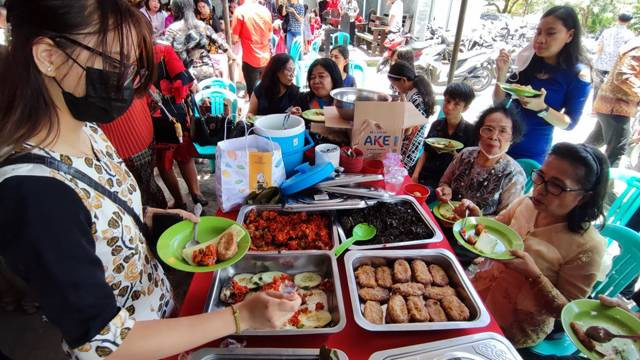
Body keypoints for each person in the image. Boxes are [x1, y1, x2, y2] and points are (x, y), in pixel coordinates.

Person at [0, 1, 301, 359]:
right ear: (49, 56)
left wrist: (155, 219)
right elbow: (102, 344)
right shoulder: (33, 193)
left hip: (164, 324)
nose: (126, 80)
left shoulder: (89, 131)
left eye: (133, 67)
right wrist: (240, 316)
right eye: (114, 62)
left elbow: (99, 224)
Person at [471, 142, 608, 349]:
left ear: (583, 197)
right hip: (477, 294)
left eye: (556, 185)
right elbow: (494, 229)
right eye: (540, 176)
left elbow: (568, 315)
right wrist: (476, 221)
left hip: (512, 329)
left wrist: (534, 276)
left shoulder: (588, 247)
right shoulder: (527, 202)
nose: (540, 189)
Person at [493, 6, 591, 164]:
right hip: (499, 143)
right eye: (538, 32)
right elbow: (499, 103)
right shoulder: (529, 61)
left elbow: (569, 123)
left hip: (530, 153)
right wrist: (502, 74)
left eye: (550, 33)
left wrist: (541, 108)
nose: (540, 39)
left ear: (570, 35)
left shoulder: (579, 74)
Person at [436, 105, 526, 217]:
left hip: (478, 232)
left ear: (512, 137)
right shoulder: (465, 154)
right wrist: (445, 189)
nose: (493, 137)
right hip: (445, 217)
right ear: (479, 132)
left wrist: (477, 219)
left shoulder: (514, 175)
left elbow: (507, 219)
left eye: (503, 131)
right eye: (488, 129)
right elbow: (444, 182)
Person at [152, 43, 208, 208]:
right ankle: (196, 193)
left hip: (155, 117)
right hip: (177, 112)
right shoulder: (163, 50)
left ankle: (179, 201)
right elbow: (186, 80)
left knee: (165, 163)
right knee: (184, 156)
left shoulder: (130, 57)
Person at [100, 97, 168, 209]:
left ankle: (162, 220)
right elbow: (154, 100)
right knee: (148, 189)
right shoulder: (132, 79)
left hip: (122, 145)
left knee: (141, 195)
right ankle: (165, 218)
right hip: (141, 135)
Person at [412, 82, 476, 194]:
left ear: (465, 108)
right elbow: (425, 152)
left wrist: (455, 155)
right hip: (423, 171)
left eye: (456, 104)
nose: (449, 107)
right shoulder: (436, 124)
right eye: (447, 101)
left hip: (443, 182)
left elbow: (469, 166)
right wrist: (415, 175)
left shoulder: (470, 132)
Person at [586, 37, 640, 167]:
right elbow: (623, 76)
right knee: (617, 150)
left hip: (611, 105)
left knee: (591, 145)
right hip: (616, 106)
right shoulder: (637, 48)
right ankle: (605, 186)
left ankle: (567, 164)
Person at [160, 0, 234, 81]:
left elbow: (164, 52)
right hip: (207, 70)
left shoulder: (172, 29)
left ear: (176, 10)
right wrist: (232, 57)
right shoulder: (201, 24)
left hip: (186, 75)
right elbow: (220, 42)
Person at [387, 61, 436, 169]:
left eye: (395, 85)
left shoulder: (417, 100)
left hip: (407, 151)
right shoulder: (414, 93)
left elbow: (408, 130)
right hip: (408, 148)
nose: (395, 89)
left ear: (403, 80)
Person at [232, 0, 273, 97]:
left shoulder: (239, 12)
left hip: (250, 59)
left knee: (253, 95)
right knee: (266, 93)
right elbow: (270, 35)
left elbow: (234, 38)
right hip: (266, 58)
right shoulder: (266, 11)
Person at [592, 13, 634, 103]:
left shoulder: (607, 31)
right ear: (629, 22)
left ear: (617, 19)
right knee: (612, 90)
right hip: (616, 67)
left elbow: (599, 47)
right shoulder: (630, 35)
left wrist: (595, 59)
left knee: (597, 87)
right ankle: (605, 112)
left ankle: (594, 109)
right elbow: (628, 54)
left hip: (601, 64)